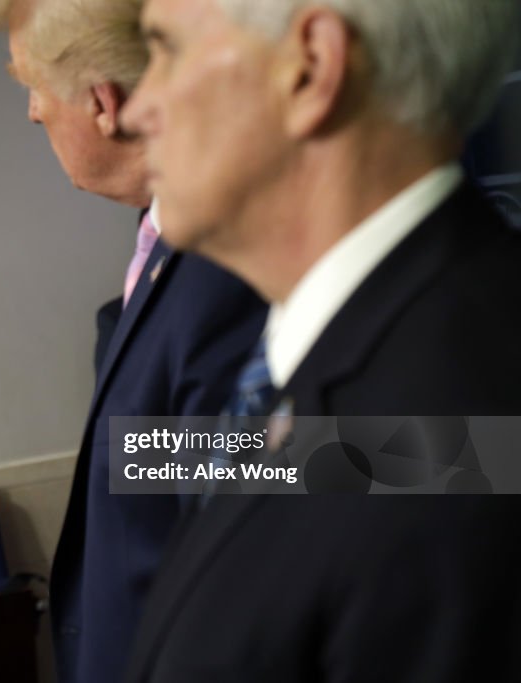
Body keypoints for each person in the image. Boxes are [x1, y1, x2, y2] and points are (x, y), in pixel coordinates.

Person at [120, 1, 521, 680]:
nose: (136, 109)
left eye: (165, 49)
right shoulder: (353, 347)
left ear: (309, 68)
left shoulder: (458, 411)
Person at [0, 2, 265, 681]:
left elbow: (286, 493)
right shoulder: (160, 245)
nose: (34, 112)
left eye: (29, 83)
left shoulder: (233, 259)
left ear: (104, 101)